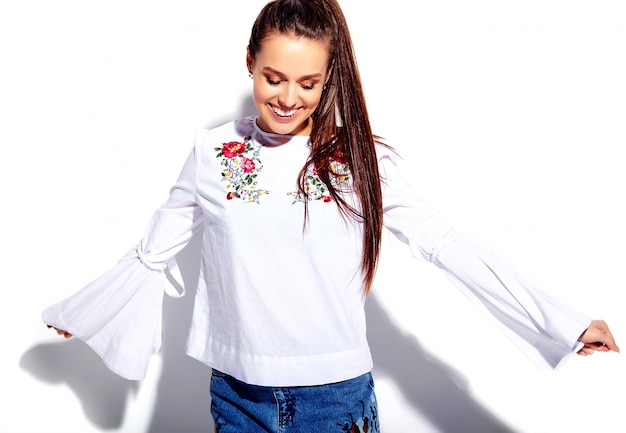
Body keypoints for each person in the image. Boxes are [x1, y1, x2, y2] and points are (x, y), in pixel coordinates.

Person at [43, 0, 619, 431]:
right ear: (249, 63)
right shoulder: (212, 154)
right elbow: (152, 250)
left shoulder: (361, 159)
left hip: (335, 398)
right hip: (237, 396)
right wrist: (88, 312)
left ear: (328, 79)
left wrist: (561, 321)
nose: (288, 97)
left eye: (308, 82)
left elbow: (446, 244)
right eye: (273, 77)